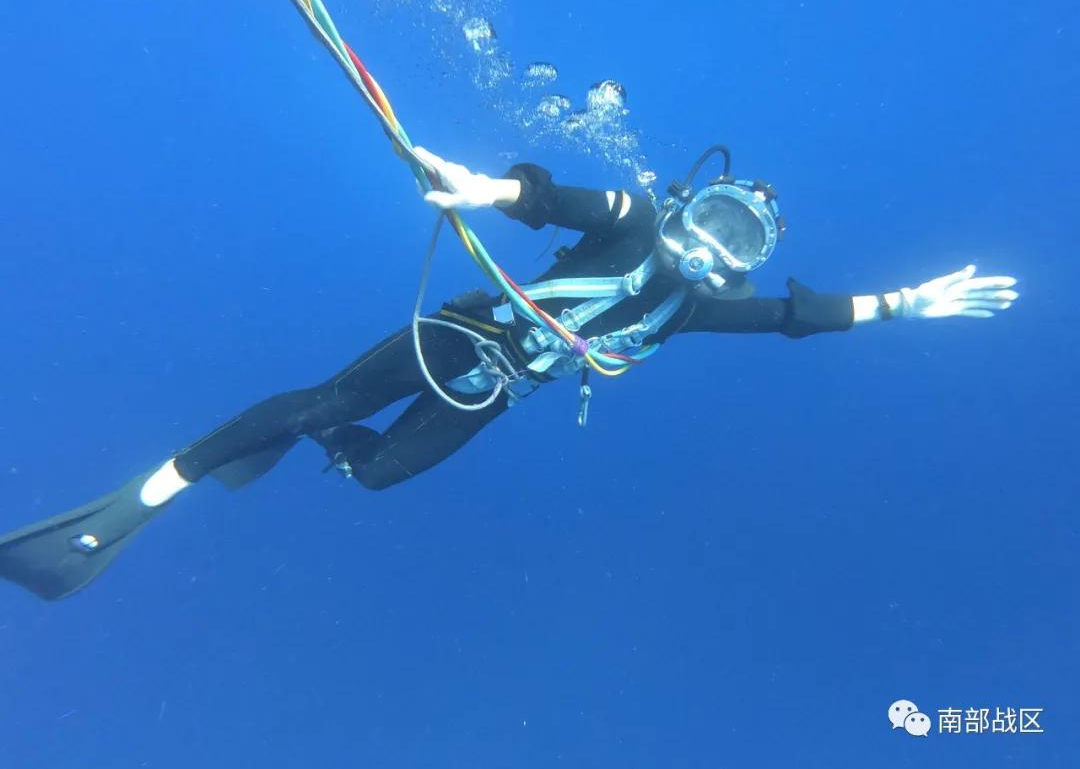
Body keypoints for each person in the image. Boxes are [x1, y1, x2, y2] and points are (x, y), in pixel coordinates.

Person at [0, 145, 1019, 600]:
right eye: (712, 220)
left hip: (495, 398)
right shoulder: (632, 218)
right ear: (686, 207)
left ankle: (312, 447)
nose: (713, 248)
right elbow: (556, 200)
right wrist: (484, 188)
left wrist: (897, 304)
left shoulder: (699, 305)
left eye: (735, 241)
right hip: (459, 340)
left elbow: (796, 317)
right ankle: (158, 490)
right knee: (329, 397)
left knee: (376, 472)